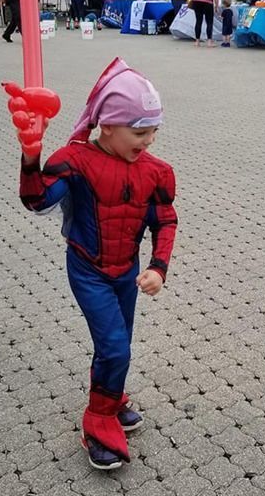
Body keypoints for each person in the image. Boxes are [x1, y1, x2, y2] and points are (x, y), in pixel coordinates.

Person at [16, 57, 177, 471]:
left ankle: (113, 394)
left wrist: (159, 266)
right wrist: (31, 154)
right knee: (115, 346)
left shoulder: (156, 172)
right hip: (88, 270)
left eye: (154, 130)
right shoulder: (76, 161)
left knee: (117, 343)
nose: (149, 141)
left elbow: (164, 220)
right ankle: (98, 420)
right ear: (107, 125)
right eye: (139, 131)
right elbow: (37, 201)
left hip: (127, 270)